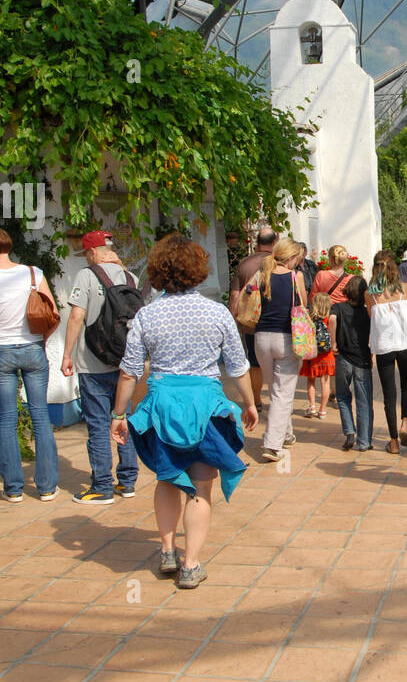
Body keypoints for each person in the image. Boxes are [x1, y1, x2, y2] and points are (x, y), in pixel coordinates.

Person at [110, 234, 257, 589]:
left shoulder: (147, 315)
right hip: (205, 409)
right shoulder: (217, 312)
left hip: (162, 408)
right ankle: (191, 564)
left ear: (158, 272)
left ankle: (166, 551)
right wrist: (250, 403)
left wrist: (118, 415)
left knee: (166, 478)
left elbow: (130, 370)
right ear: (198, 271)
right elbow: (238, 365)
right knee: (200, 488)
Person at [61, 229, 141, 504]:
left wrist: (67, 355)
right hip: (124, 366)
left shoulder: (87, 275)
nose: (85, 257)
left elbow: (76, 317)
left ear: (93, 252)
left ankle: (102, 487)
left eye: (86, 253)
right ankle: (128, 481)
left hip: (93, 364)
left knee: (97, 425)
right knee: (123, 419)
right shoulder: (131, 277)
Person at [0, 229, 60, 502]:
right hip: (33, 348)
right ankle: (46, 487)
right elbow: (54, 314)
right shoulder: (33, 274)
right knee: (40, 416)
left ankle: (13, 489)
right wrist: (41, 341)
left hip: (1, 352)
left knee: (6, 420)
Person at [367, 250, 407, 454]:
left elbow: (371, 317)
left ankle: (393, 442)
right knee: (406, 386)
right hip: (406, 344)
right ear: (394, 268)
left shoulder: (370, 295)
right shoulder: (404, 288)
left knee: (388, 394)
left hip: (384, 346)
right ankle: (405, 425)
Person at [254, 239, 307, 461]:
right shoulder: (295, 277)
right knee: (282, 393)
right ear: (292, 257)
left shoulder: (261, 274)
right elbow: (303, 303)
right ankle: (272, 445)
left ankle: (286, 434)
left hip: (261, 337)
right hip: (286, 338)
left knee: (275, 389)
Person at [228, 226, 277, 409]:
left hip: (251, 322)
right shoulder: (278, 263)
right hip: (276, 322)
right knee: (276, 364)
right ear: (274, 242)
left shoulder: (244, 264)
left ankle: (256, 400)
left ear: (257, 242)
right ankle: (276, 401)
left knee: (255, 363)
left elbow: (234, 296)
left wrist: (234, 320)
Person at [329, 274, 373, 452]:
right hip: (362, 359)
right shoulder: (366, 311)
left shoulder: (338, 308)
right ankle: (364, 442)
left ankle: (349, 432)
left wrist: (333, 343)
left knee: (342, 396)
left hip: (343, 358)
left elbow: (331, 320)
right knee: (364, 400)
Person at [301, 292, 334, 417]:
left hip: (312, 354)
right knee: (325, 383)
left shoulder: (309, 318)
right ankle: (323, 410)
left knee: (311, 381)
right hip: (326, 354)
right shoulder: (330, 317)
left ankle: (312, 406)